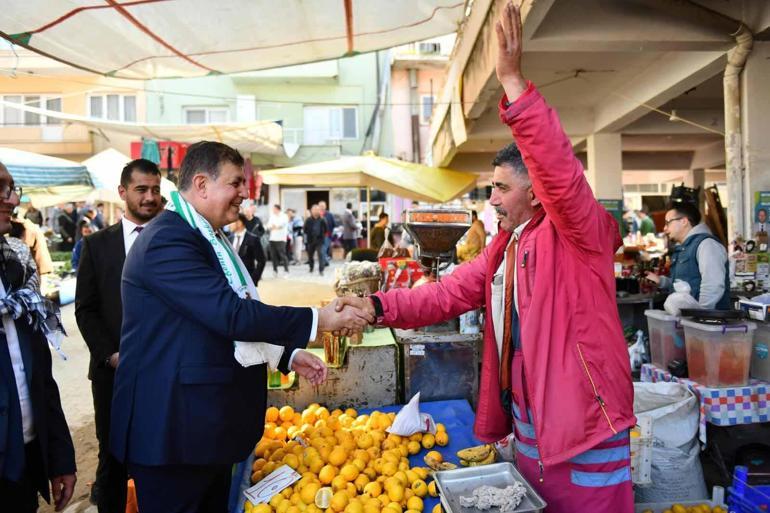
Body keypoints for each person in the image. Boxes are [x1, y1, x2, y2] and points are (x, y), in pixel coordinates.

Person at [337, 4, 634, 511]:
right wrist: (378, 308)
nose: (491, 199)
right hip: (529, 413)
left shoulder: (579, 232)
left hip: (583, 417)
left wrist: (513, 84)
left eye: (501, 188)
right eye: (490, 187)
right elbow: (449, 292)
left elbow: (559, 171)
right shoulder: (509, 244)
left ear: (538, 192)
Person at [109, 141, 371, 513]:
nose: (243, 195)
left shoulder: (205, 235)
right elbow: (230, 314)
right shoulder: (168, 240)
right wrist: (320, 318)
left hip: (202, 432)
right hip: (172, 435)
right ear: (201, 184)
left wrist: (285, 355)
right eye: (234, 183)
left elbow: (224, 321)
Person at [75, 158, 163, 513]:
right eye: (142, 189)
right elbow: (86, 309)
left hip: (164, 374)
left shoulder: (176, 240)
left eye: (156, 190)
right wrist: (110, 356)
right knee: (113, 459)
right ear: (123, 192)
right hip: (113, 375)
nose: (150, 197)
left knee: (159, 459)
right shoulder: (97, 246)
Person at [0, 162, 76, 513]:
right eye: (1, 188)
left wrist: (60, 458)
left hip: (23, 467)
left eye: (12, 188)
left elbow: (42, 379)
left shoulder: (18, 272)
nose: (10, 199)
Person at [646, 202, 729, 309]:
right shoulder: (684, 248)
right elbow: (686, 285)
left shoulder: (707, 245)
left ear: (684, 221)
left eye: (668, 223)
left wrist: (700, 315)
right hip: (689, 321)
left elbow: (713, 285)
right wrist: (662, 281)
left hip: (707, 322)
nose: (665, 228)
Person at [229, 213, 266, 286]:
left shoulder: (253, 239)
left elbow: (261, 261)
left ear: (239, 223)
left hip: (247, 282)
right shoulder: (229, 239)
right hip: (232, 281)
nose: (229, 225)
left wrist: (253, 280)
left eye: (231, 222)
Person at [304, 205, 328, 275]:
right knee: (310, 255)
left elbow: (326, 229)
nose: (315, 211)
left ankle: (321, 270)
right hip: (310, 240)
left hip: (320, 240)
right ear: (311, 211)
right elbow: (305, 230)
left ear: (319, 211)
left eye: (317, 210)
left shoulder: (323, 219)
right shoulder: (308, 220)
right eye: (314, 210)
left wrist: (322, 234)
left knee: (321, 254)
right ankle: (311, 267)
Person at [267, 204, 290, 275]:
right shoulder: (272, 216)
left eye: (274, 209)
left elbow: (282, 225)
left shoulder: (284, 216)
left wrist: (275, 226)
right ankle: (275, 270)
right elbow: (268, 225)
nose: (273, 210)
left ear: (278, 209)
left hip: (281, 238)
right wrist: (273, 226)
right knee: (273, 255)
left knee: (282, 254)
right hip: (272, 238)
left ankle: (286, 270)